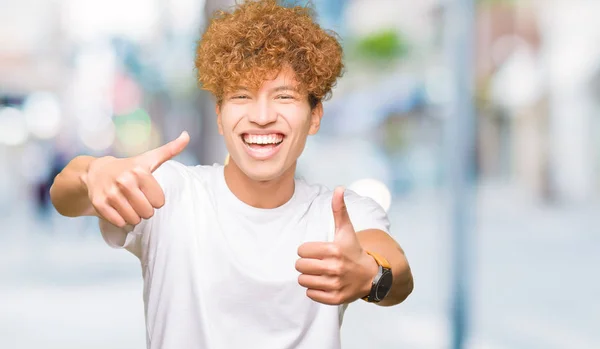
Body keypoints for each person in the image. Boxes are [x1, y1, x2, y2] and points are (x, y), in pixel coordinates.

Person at [50, 0, 413, 348]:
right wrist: (94, 172)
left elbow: (398, 273)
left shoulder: (340, 213)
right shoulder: (172, 194)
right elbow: (65, 195)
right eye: (242, 96)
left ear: (314, 116)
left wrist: (369, 275)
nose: (262, 115)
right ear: (220, 116)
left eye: (284, 97)